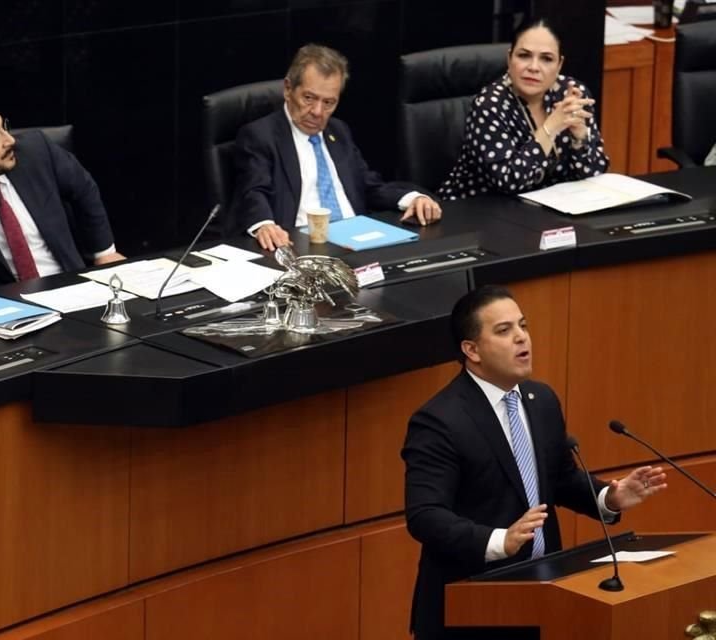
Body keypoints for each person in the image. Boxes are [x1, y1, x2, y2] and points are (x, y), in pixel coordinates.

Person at [402, 285, 667, 640]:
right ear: (471, 350)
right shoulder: (440, 420)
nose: (521, 337)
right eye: (504, 330)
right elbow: (426, 516)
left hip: (542, 596)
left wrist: (609, 497)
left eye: (523, 325)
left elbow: (560, 479)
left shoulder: (540, 400)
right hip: (471, 605)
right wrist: (501, 540)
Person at [230, 44, 442, 251]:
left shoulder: (339, 131)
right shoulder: (261, 135)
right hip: (302, 245)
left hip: (357, 242)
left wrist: (413, 199)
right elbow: (254, 191)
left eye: (328, 103)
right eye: (309, 98)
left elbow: (369, 186)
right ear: (288, 89)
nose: (317, 111)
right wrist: (264, 225)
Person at [0, 96, 124, 298]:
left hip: (69, 283)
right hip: (3, 301)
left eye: (4, 127)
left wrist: (104, 253)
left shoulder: (36, 151)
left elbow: (84, 189)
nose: (10, 140)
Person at [438, 20, 609, 200]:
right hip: (475, 208)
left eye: (546, 59)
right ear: (509, 58)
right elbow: (508, 181)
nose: (533, 67)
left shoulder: (571, 94)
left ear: (559, 64)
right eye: (524, 55)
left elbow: (594, 174)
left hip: (544, 209)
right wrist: (550, 128)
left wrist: (580, 138)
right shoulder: (489, 104)